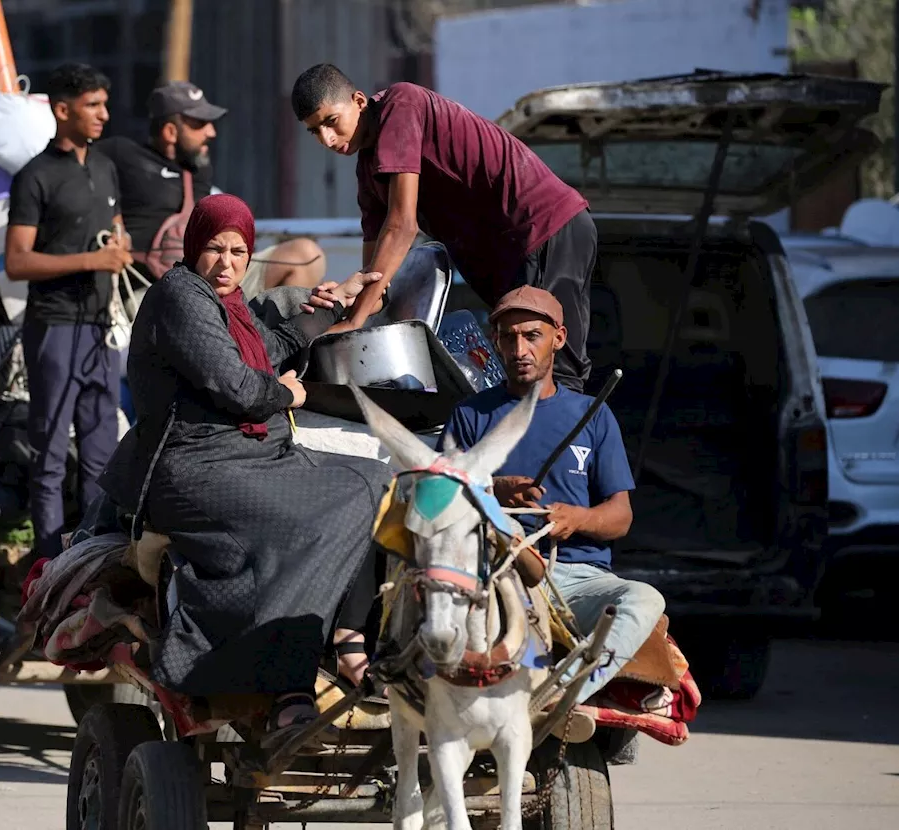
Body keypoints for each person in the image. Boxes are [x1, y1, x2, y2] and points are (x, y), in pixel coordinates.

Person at [97, 193, 390, 744]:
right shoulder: (179, 295)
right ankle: (289, 685)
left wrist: (331, 308)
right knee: (312, 523)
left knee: (376, 481)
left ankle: (350, 632)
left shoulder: (225, 304)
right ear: (193, 248)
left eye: (237, 251)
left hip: (251, 457)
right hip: (194, 468)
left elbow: (268, 345)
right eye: (214, 248)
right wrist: (282, 394)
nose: (227, 261)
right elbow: (235, 384)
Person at [292, 64, 596, 392]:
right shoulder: (368, 174)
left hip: (544, 226)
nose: (326, 138)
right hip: (505, 256)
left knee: (552, 370)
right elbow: (376, 279)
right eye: (314, 131)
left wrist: (354, 322)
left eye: (330, 121)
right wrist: (343, 299)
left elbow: (402, 226)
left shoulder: (400, 104)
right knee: (518, 370)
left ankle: (573, 442)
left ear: (359, 101)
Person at [438, 285, 664, 705]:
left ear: (558, 339)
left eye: (532, 336)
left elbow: (620, 517)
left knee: (644, 598)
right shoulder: (470, 415)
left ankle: (562, 693)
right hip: (496, 572)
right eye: (509, 337)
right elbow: (436, 501)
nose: (519, 348)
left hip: (579, 579)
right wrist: (493, 487)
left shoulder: (592, 415)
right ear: (496, 342)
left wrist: (577, 519)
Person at [5, 63, 133, 559]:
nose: (104, 114)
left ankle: (94, 556)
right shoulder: (35, 176)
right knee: (51, 452)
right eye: (92, 106)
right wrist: (92, 259)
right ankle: (46, 562)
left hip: (101, 327)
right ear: (62, 110)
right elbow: (17, 261)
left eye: (104, 103)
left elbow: (115, 225)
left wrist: (120, 246)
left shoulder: (104, 166)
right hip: (55, 327)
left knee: (103, 451)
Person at [96, 80, 327, 297]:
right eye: (199, 124)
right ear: (170, 132)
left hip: (209, 280)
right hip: (150, 291)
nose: (211, 133)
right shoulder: (121, 154)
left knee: (306, 255)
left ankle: (265, 337)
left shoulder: (198, 171)